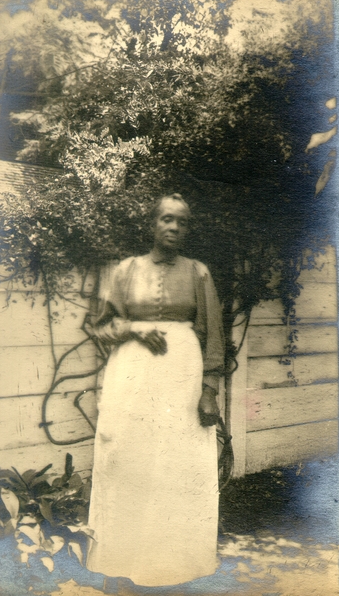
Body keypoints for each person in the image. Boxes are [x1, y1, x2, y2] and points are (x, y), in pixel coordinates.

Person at [84, 193, 225, 587]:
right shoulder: (126, 270)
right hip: (131, 380)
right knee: (129, 461)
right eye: (166, 219)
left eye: (181, 222)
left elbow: (214, 334)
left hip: (181, 383)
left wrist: (209, 389)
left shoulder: (199, 272)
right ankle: (122, 561)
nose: (174, 228)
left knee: (176, 468)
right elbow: (98, 325)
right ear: (152, 224)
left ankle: (175, 565)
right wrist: (133, 329)